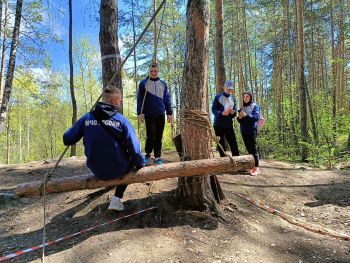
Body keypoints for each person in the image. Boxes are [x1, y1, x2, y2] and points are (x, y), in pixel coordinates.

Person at [63, 87, 145, 211]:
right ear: (113, 101)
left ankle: (111, 187)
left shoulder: (86, 118)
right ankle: (116, 199)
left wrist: (79, 127)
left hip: (97, 170)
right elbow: (135, 149)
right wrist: (140, 164)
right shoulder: (121, 120)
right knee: (134, 159)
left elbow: (67, 139)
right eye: (119, 101)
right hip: (119, 169)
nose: (120, 103)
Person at [137, 63, 173, 165]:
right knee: (151, 134)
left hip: (160, 113)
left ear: (158, 71)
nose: (153, 73)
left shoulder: (163, 84)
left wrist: (169, 113)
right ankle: (148, 154)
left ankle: (157, 157)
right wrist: (140, 112)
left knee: (159, 135)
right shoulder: (144, 83)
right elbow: (140, 99)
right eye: (151, 71)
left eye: (155, 71)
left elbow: (167, 99)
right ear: (149, 71)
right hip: (149, 113)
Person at [211, 80, 240, 157]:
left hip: (228, 125)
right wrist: (221, 113)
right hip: (218, 125)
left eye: (230, 89)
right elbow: (213, 110)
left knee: (233, 142)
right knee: (221, 144)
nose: (228, 90)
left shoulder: (233, 99)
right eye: (227, 88)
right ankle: (223, 161)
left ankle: (237, 159)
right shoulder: (217, 97)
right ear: (224, 87)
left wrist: (233, 113)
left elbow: (235, 112)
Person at [237, 91, 260, 176]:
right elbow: (240, 121)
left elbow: (256, 117)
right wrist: (239, 117)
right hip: (243, 130)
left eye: (247, 97)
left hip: (252, 130)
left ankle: (257, 167)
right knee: (248, 149)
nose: (245, 98)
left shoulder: (255, 106)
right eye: (244, 97)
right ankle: (252, 166)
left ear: (250, 97)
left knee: (253, 149)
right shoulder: (242, 107)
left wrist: (246, 115)